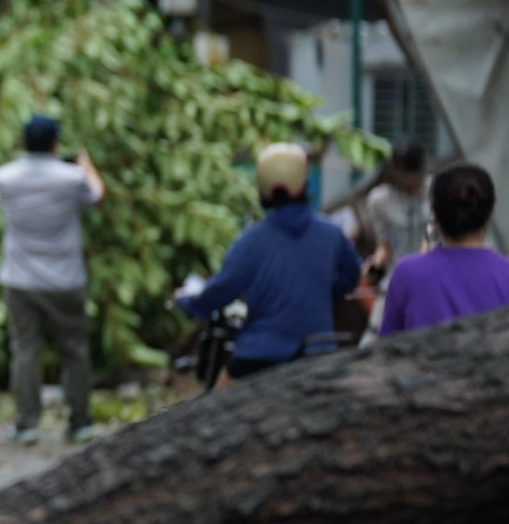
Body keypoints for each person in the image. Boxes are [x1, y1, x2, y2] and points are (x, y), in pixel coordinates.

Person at [177, 143, 363, 381]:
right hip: (318, 351)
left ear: (262, 191)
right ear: (305, 184)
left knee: (212, 407)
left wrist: (189, 302)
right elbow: (352, 277)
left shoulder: (251, 240)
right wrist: (321, 285)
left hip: (260, 356)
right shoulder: (331, 233)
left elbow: (222, 289)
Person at [0, 115, 107, 444]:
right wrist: (87, 166)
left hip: (19, 278)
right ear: (56, 143)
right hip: (65, 279)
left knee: (25, 350)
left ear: (22, 142)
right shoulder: (71, 179)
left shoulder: (4, 178)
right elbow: (97, 197)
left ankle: (26, 424)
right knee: (74, 350)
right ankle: (80, 421)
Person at [379, 163, 509, 336]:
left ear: (434, 211)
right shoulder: (505, 272)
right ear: (491, 209)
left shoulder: (407, 273)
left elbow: (385, 350)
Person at [364, 142, 432, 281]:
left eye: (415, 178)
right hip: (398, 276)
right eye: (405, 178)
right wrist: (374, 266)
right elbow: (384, 245)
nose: (411, 184)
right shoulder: (380, 199)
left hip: (432, 275)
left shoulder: (438, 191)